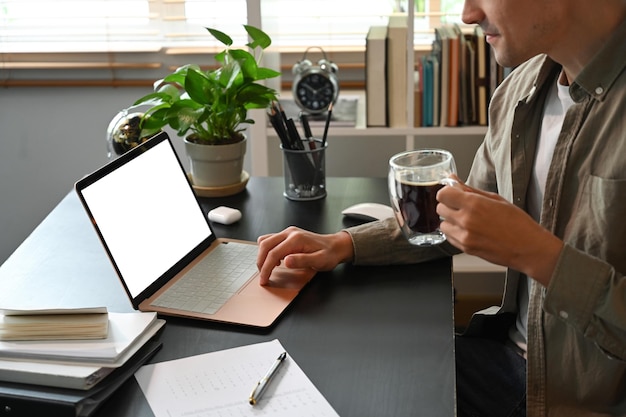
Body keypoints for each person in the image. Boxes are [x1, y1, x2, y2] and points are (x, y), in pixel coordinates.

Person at [257, 0, 626, 416]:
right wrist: (342, 245)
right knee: (339, 370)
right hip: (508, 367)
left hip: (585, 401)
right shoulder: (519, 91)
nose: (468, 15)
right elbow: (452, 217)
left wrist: (539, 255)